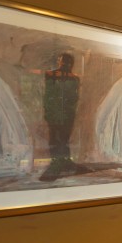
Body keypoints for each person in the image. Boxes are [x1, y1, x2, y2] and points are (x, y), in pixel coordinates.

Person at [38, 52, 81, 181]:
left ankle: (66, 161)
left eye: (67, 62)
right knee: (55, 139)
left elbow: (74, 98)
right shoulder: (50, 75)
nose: (65, 64)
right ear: (59, 62)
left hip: (68, 114)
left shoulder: (75, 78)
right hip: (55, 114)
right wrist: (48, 112)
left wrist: (70, 109)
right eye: (62, 61)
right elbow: (48, 96)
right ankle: (56, 163)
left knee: (65, 139)